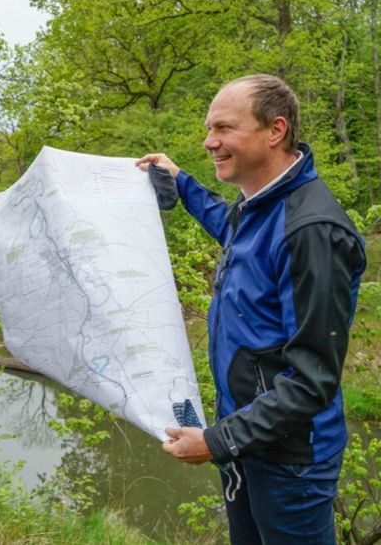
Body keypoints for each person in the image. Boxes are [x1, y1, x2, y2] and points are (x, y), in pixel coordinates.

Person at [136, 74, 366, 544]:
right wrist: (181, 182)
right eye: (208, 130)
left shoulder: (312, 231)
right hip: (248, 438)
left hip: (289, 459)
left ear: (275, 130)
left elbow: (312, 381)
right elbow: (231, 228)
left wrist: (217, 441)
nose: (209, 142)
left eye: (223, 129)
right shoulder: (259, 205)